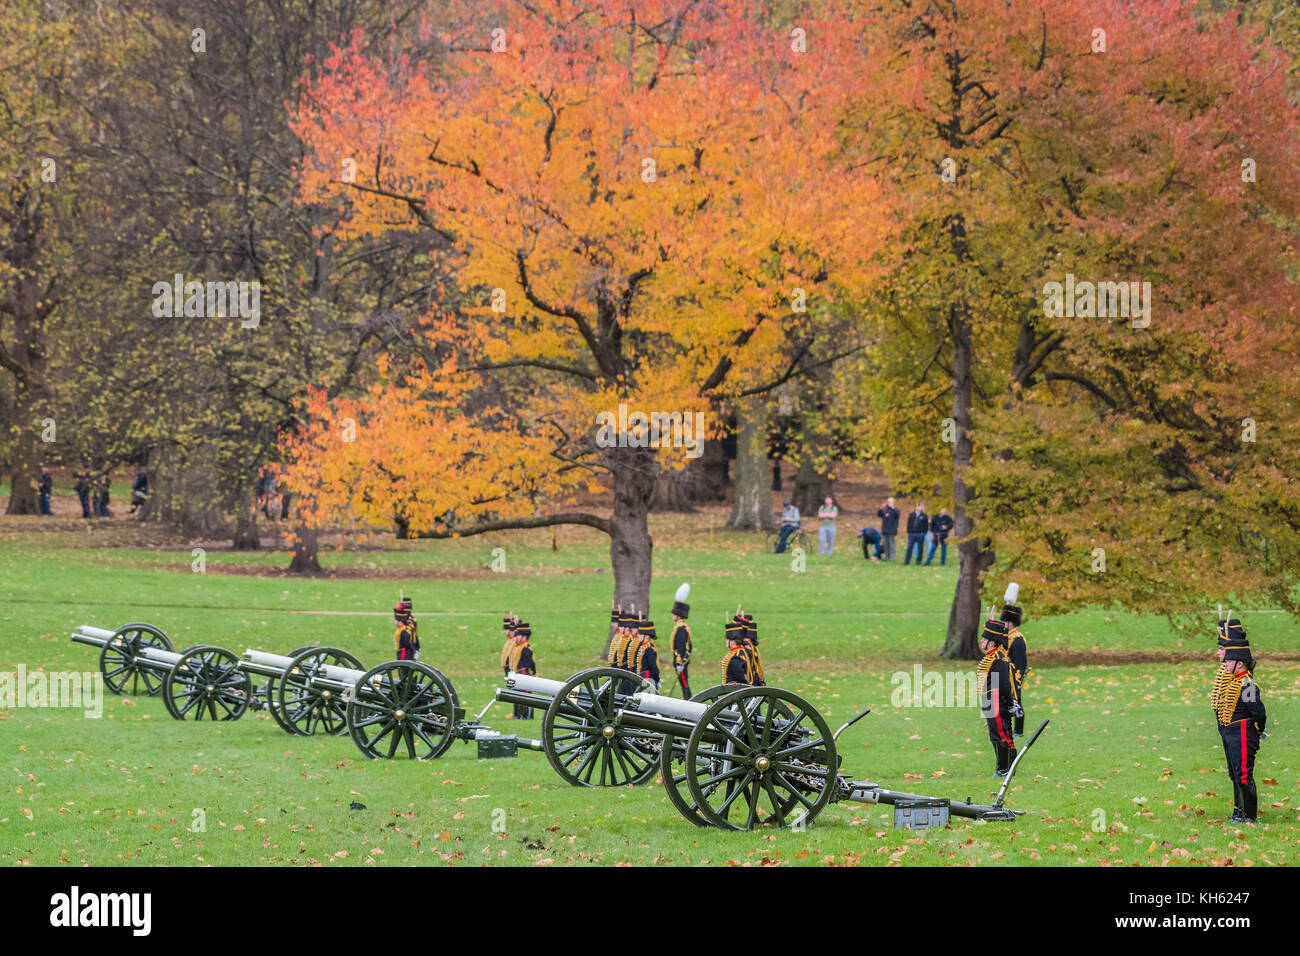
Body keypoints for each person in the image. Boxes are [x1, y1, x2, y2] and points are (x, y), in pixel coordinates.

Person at [1212, 617, 1266, 823]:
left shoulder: (1248, 684)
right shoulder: (1236, 680)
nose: (1224, 663)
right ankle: (1239, 812)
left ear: (1239, 663)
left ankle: (1250, 816)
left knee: (1243, 775)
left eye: (1229, 660)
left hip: (1243, 731)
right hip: (1232, 731)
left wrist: (1257, 730)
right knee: (1235, 774)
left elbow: (1258, 712)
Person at [977, 618, 1021, 777]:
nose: (981, 640)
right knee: (997, 734)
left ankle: (1004, 770)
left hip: (996, 702)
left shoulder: (998, 659)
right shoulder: (993, 656)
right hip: (990, 701)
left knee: (1001, 735)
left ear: (992, 642)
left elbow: (1003, 685)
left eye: (985, 638)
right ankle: (1008, 769)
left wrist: (1009, 704)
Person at [1002, 599, 1029, 737]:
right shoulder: (1008, 636)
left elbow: (1020, 662)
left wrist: (1016, 679)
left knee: (1016, 703)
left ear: (1009, 622)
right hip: (1006, 674)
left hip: (1013, 675)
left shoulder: (1017, 638)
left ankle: (1018, 730)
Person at [670, 585, 693, 698]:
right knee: (684, 684)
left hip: (681, 663)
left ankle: (689, 701)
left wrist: (680, 662)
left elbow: (681, 647)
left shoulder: (680, 628)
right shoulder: (682, 627)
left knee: (685, 685)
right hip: (682, 662)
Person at [511, 623, 537, 718]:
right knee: (518, 694)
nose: (515, 637)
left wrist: (532, 672)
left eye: (518, 635)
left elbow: (530, 663)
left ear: (524, 636)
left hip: (524, 673)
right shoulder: (519, 647)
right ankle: (519, 714)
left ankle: (527, 715)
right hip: (518, 673)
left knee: (526, 695)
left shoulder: (525, 647)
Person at [722, 618, 756, 685]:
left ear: (733, 641)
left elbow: (740, 676)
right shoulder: (741, 652)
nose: (726, 641)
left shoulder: (736, 656)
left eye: (727, 639)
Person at [633, 619, 660, 693]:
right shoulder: (643, 646)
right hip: (642, 678)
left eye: (640, 634)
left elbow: (653, 666)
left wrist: (657, 679)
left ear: (646, 636)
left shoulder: (649, 649)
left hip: (648, 678)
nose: (638, 635)